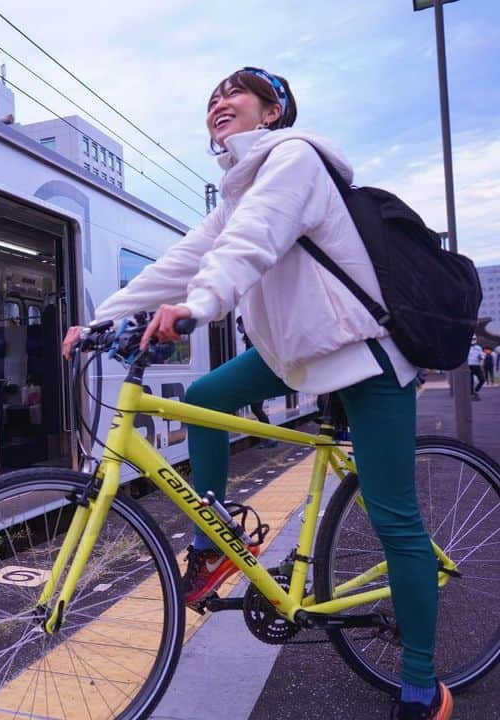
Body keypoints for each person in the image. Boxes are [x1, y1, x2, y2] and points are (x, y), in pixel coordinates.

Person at [62, 67, 450, 719]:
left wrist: (200, 307)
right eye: (211, 98)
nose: (218, 103)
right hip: (294, 354)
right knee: (206, 398)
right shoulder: (236, 193)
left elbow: (251, 244)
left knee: (395, 522)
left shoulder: (294, 159)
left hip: (363, 354)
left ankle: (420, 683)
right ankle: (215, 547)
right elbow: (182, 261)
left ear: (272, 112)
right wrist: (102, 317)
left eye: (233, 94)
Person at [236, 315, 277, 447]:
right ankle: (268, 438)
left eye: (240, 324)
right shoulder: (251, 339)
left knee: (257, 409)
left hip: (258, 380)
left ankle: (269, 438)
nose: (239, 328)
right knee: (257, 409)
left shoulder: (253, 340)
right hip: (257, 380)